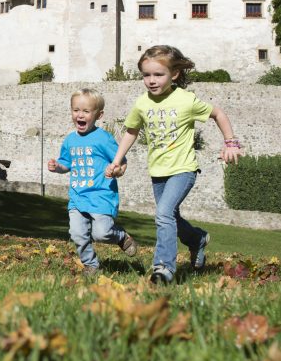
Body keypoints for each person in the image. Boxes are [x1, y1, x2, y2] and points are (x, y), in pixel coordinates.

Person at [106, 45, 243, 284]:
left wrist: (230, 143)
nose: (151, 80)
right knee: (170, 217)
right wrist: (116, 161)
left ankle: (164, 268)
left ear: (174, 74)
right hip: (158, 171)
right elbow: (131, 131)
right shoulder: (141, 104)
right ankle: (197, 239)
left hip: (184, 169)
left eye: (158, 75)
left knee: (163, 214)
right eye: (146, 75)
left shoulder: (186, 100)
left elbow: (218, 114)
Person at [47, 88, 138, 276]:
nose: (80, 115)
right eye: (76, 110)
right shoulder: (70, 140)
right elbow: (66, 164)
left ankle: (121, 237)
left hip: (101, 196)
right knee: (77, 234)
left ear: (98, 115)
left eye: (86, 111)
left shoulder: (103, 138)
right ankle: (91, 265)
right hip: (78, 198)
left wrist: (117, 171)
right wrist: (57, 167)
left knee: (102, 233)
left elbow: (122, 163)